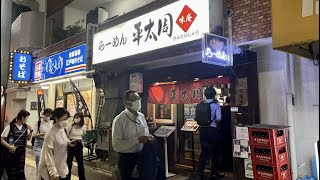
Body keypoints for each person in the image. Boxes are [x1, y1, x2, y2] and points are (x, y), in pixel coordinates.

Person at [112, 90, 154, 180]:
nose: (138, 101)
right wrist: (137, 140)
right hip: (126, 160)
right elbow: (116, 145)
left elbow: (146, 133)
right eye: (135, 99)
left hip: (142, 157)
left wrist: (149, 137)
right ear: (127, 103)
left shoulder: (141, 116)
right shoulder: (119, 119)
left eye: (139, 99)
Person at [37, 108, 74, 180]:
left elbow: (61, 141)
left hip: (62, 168)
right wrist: (52, 172)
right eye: (64, 119)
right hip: (53, 173)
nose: (66, 121)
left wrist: (69, 142)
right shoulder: (50, 133)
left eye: (67, 119)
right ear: (57, 119)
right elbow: (48, 154)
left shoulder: (62, 129)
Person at [197, 86, 225, 180]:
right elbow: (218, 118)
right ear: (214, 95)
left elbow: (195, 118)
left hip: (202, 130)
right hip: (212, 130)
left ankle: (199, 174)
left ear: (205, 95)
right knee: (216, 152)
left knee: (204, 152)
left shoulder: (200, 104)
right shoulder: (216, 105)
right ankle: (214, 173)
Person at [1, 110, 33, 180]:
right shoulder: (10, 127)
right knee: (12, 172)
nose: (27, 119)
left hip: (21, 153)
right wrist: (9, 146)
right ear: (22, 117)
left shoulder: (25, 127)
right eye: (27, 117)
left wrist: (31, 131)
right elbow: (1, 139)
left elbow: (28, 138)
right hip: (11, 154)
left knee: (20, 172)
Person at [66, 112, 87, 180]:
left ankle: (82, 178)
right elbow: (65, 135)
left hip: (79, 145)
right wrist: (69, 142)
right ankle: (67, 178)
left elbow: (83, 135)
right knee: (69, 163)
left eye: (77, 117)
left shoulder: (84, 127)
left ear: (81, 118)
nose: (76, 119)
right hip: (71, 144)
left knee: (80, 163)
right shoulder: (70, 126)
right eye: (75, 117)